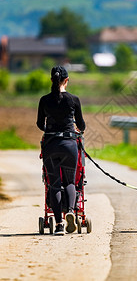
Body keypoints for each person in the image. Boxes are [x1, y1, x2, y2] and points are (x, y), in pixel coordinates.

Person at [36, 66, 85, 235]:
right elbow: (82, 125)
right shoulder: (74, 100)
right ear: (67, 80)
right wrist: (76, 130)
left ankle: (58, 224)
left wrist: (49, 130)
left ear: (52, 80)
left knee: (54, 185)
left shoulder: (44, 100)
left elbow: (39, 124)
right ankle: (71, 212)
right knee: (70, 182)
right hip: (69, 145)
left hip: (51, 145)